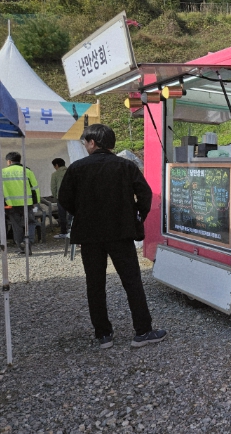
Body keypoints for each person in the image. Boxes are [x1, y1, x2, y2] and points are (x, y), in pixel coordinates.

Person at [59, 124, 167, 349]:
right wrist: (136, 215)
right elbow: (145, 194)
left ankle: (103, 335)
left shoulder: (77, 168)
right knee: (132, 281)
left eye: (86, 142)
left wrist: (83, 213)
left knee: (95, 284)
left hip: (89, 235)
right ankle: (143, 331)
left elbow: (64, 199)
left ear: (92, 142)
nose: (85, 145)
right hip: (121, 232)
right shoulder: (125, 166)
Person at [2, 152, 40, 255]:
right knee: (31, 223)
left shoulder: (3, 172)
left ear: (9, 161)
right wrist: (35, 202)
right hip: (27, 203)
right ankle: (28, 243)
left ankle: (21, 248)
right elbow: (35, 188)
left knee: (16, 226)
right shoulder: (27, 171)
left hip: (10, 204)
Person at [50, 158, 69, 239]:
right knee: (72, 214)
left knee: (62, 215)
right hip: (73, 196)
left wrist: (56, 196)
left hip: (61, 197)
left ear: (57, 165)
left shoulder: (55, 174)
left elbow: (53, 188)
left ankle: (63, 232)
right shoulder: (71, 171)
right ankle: (72, 231)